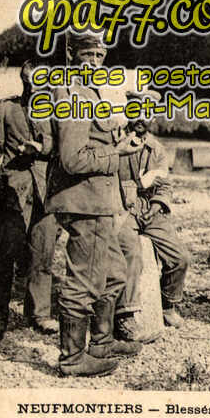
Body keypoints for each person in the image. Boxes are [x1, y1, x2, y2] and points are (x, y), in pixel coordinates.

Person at [46, 32, 144, 376]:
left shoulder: (89, 93)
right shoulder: (72, 93)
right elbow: (72, 159)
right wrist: (116, 152)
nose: (95, 61)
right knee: (84, 281)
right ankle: (73, 359)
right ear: (70, 53)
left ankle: (101, 344)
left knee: (114, 274)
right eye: (88, 54)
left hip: (100, 201)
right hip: (84, 200)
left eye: (100, 55)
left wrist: (120, 136)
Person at [0, 60, 58, 341]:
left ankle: (39, 313)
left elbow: (66, 147)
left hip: (47, 194)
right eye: (28, 81)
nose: (33, 87)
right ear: (22, 82)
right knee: (4, 256)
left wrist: (43, 147)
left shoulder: (60, 113)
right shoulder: (6, 109)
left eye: (40, 83)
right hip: (12, 194)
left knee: (43, 254)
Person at [117, 104, 190, 330]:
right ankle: (125, 314)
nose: (140, 118)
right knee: (132, 255)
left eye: (146, 113)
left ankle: (168, 303)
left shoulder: (156, 148)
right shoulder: (116, 144)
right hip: (122, 208)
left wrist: (157, 204)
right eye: (135, 111)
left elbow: (164, 184)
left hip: (151, 209)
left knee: (180, 257)